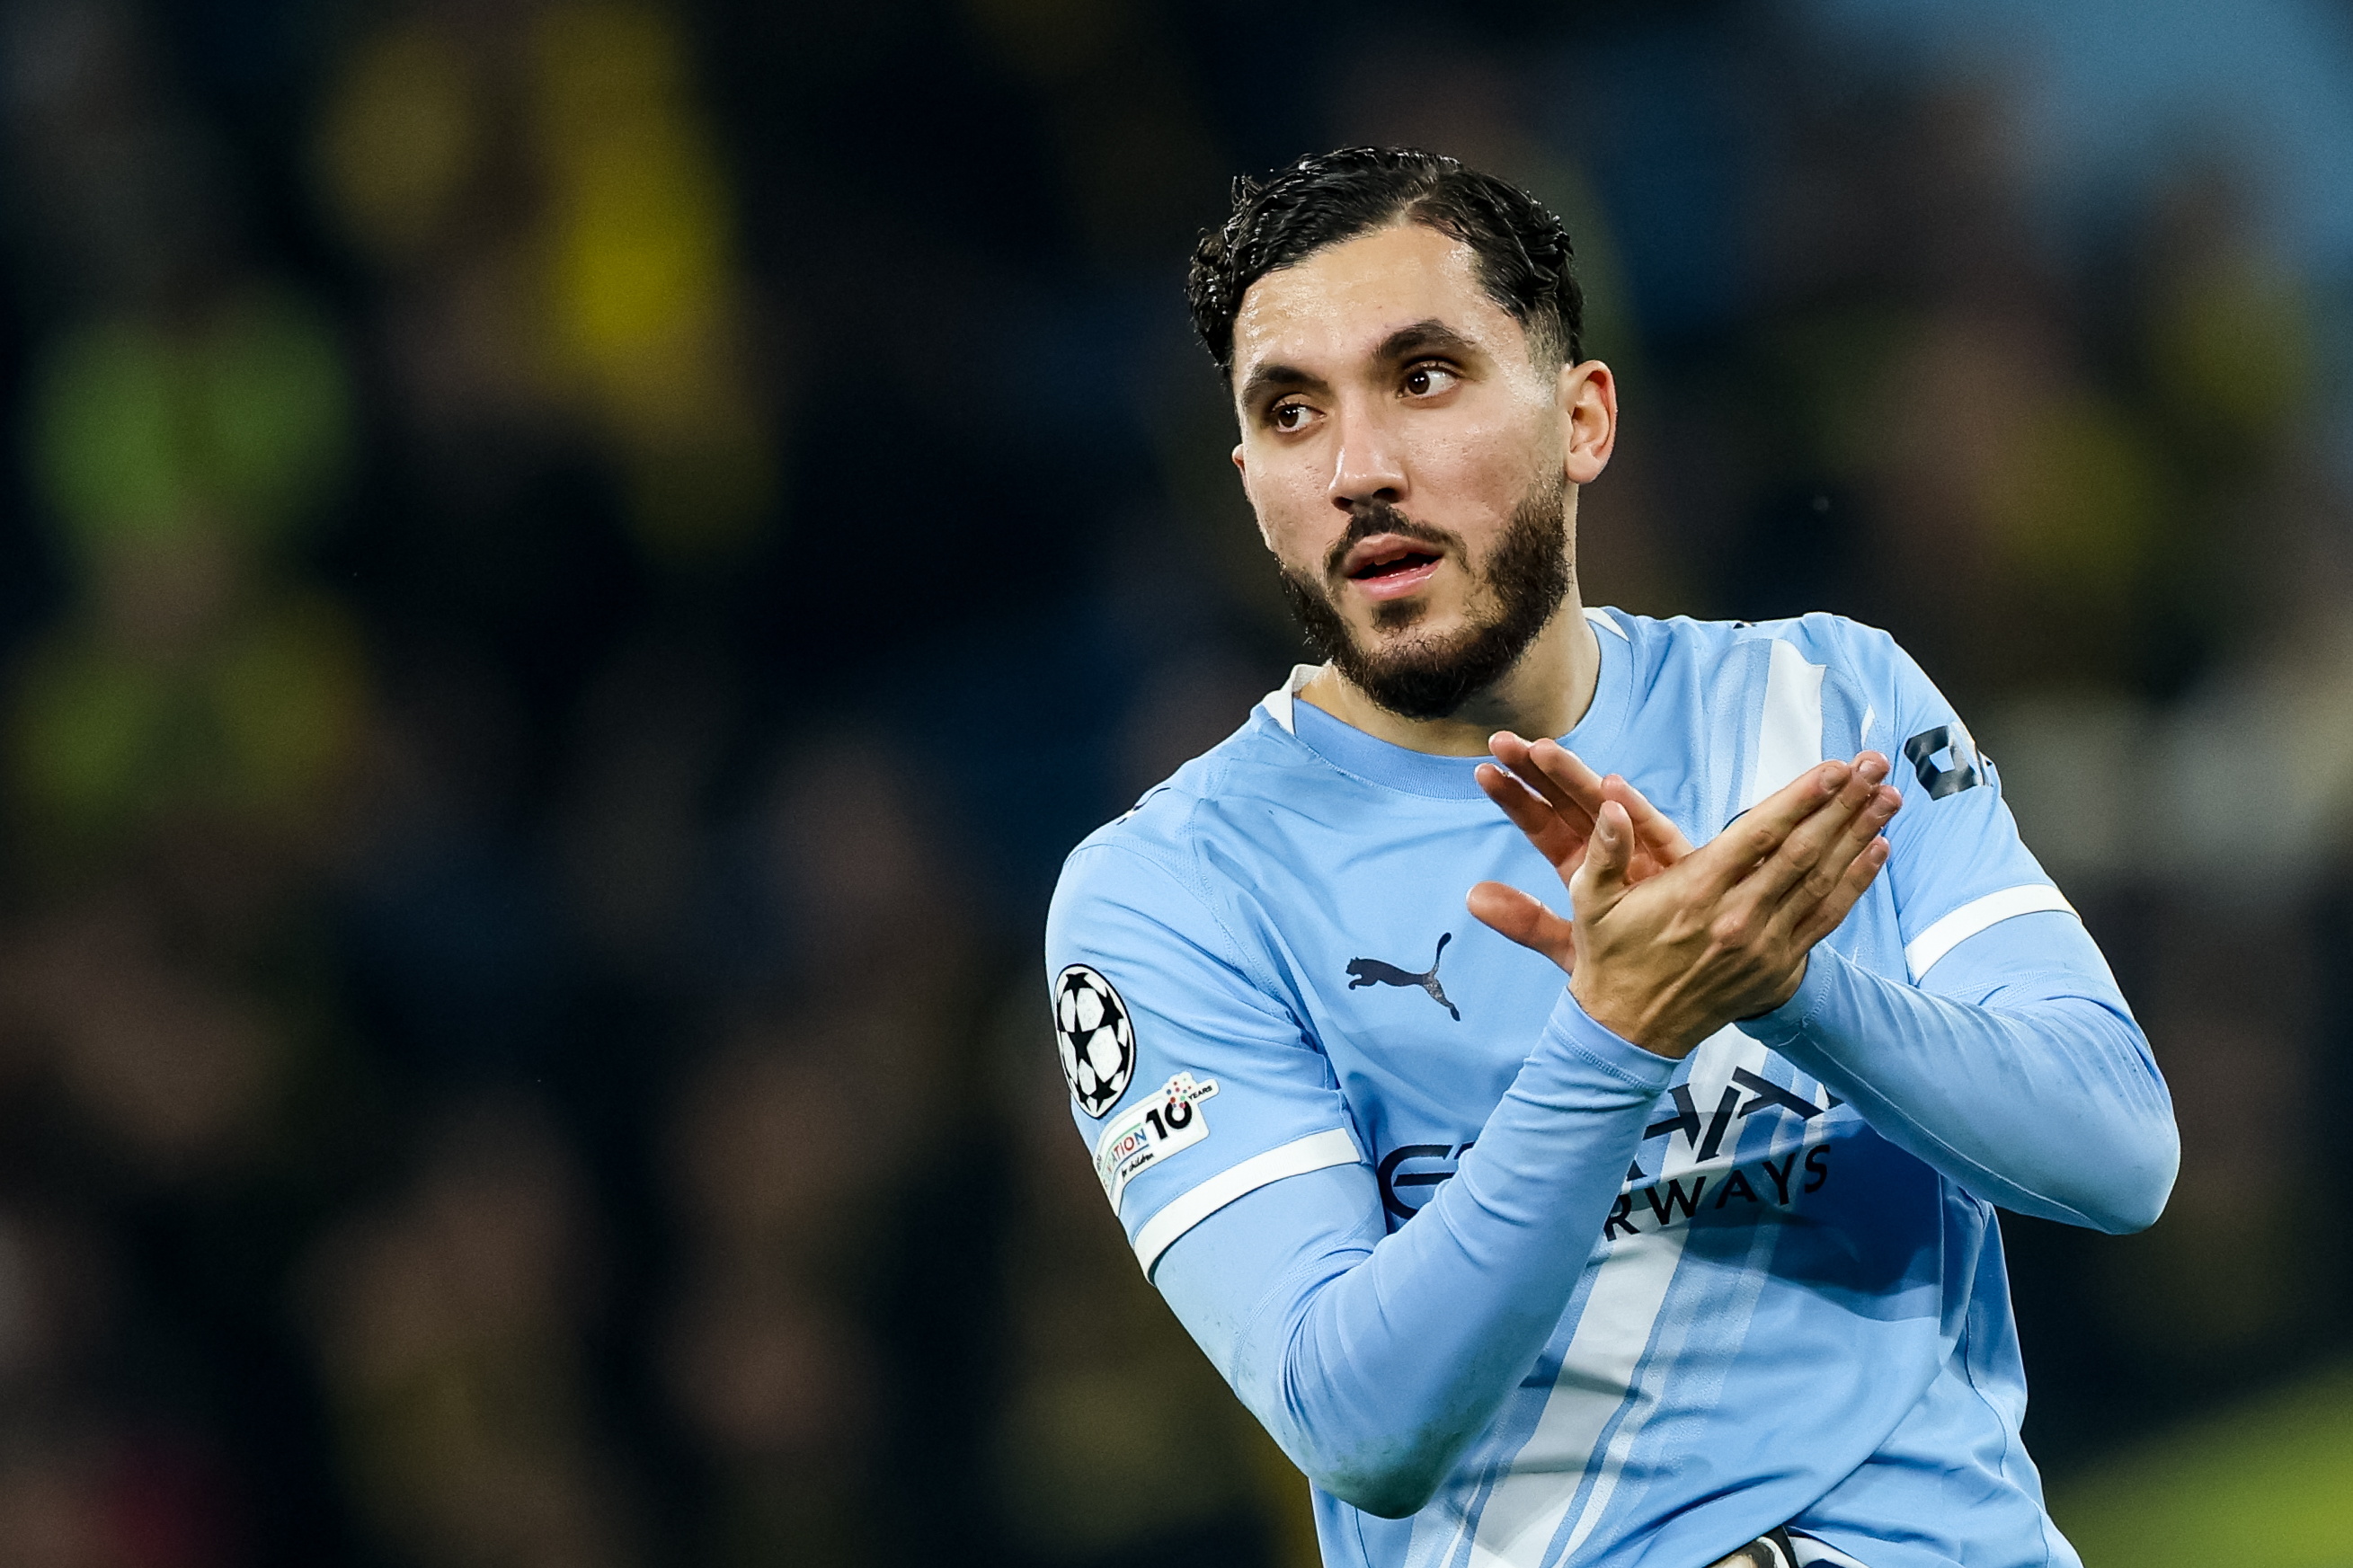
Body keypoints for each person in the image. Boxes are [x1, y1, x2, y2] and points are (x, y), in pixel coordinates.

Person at [1043, 147, 2177, 1568]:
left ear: (1580, 418)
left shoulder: (1822, 704)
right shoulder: (1168, 888)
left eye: (1423, 376)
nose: (1358, 469)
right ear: (1247, 482)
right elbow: (1356, 1418)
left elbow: (2118, 1151)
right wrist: (1616, 1031)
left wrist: (1784, 986)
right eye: (1289, 413)